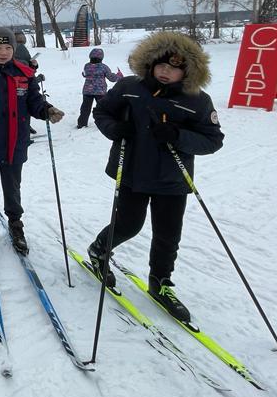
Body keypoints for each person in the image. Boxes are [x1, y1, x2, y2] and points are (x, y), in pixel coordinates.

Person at [85, 31, 224, 323]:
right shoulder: (128, 87)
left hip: (173, 179)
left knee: (168, 234)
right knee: (129, 225)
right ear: (149, 64)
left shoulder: (197, 100)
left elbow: (212, 140)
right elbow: (103, 112)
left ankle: (160, 282)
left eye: (173, 68)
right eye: (160, 65)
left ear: (186, 71)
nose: (165, 71)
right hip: (132, 171)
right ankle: (99, 251)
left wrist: (178, 135)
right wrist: (114, 129)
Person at [0, 28, 64, 257]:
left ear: (14, 49)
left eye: (8, 47)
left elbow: (34, 101)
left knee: (13, 187)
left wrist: (47, 110)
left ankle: (16, 224)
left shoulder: (24, 74)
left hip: (14, 141)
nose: (3, 52)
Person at [77, 47, 122, 129]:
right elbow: (111, 78)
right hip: (100, 91)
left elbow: (84, 74)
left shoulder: (87, 66)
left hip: (87, 91)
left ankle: (82, 123)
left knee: (85, 108)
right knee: (103, 107)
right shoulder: (104, 67)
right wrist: (119, 76)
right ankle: (106, 122)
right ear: (101, 57)